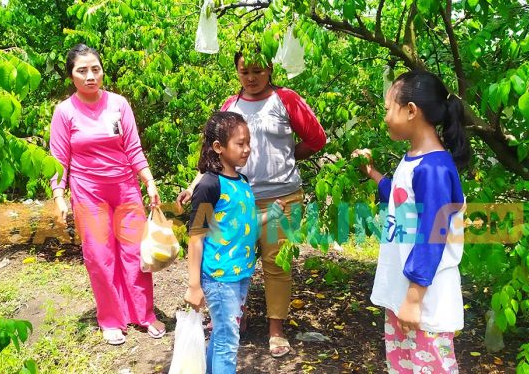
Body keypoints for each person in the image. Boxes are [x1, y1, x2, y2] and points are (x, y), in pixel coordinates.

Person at [177, 51, 326, 357]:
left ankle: (275, 329)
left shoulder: (287, 100)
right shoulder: (231, 106)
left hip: (282, 197)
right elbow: (212, 152)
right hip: (234, 199)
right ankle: (233, 318)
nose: (252, 77)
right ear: (236, 72)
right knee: (232, 261)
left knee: (276, 264)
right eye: (245, 72)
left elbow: (316, 138)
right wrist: (195, 184)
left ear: (271, 68)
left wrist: (285, 158)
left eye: (258, 70)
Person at [353, 70, 470, 373]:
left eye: (388, 108)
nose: (386, 116)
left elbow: (434, 234)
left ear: (411, 111)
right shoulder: (416, 159)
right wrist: (373, 173)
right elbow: (400, 197)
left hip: (424, 301)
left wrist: (414, 299)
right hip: (403, 294)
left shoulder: (434, 169)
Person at [49, 44, 165, 345]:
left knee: (134, 253)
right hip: (88, 192)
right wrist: (59, 195)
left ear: (102, 70)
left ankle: (144, 314)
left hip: (125, 188)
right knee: (100, 257)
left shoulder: (118, 104)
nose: (90, 76)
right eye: (82, 70)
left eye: (95, 69)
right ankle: (111, 318)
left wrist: (149, 182)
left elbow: (134, 148)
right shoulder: (65, 111)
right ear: (71, 76)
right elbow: (59, 159)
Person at [184, 111, 285, 373]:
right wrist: (194, 286)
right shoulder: (209, 185)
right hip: (219, 279)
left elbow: (246, 224)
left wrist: (271, 214)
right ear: (218, 147)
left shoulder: (242, 182)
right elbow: (196, 237)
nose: (247, 149)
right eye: (240, 143)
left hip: (241, 274)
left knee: (222, 336)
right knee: (228, 341)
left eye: (248, 142)